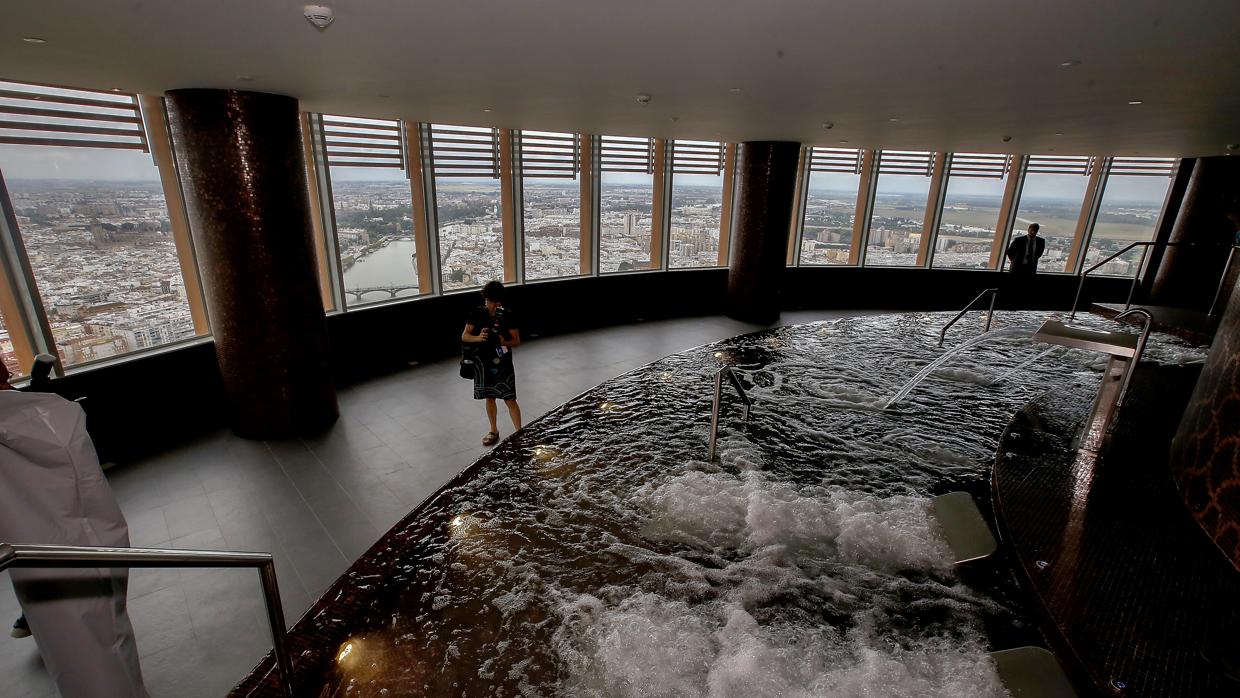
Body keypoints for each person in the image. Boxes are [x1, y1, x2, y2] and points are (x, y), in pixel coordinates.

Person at [0, 361, 146, 696]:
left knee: (83, 652)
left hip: (49, 558)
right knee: (108, 637)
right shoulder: (50, 415)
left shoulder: (27, 421)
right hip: (84, 549)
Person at [461, 281, 522, 446]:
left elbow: (516, 340)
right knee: (490, 398)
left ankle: (520, 433)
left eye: (495, 302)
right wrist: (478, 338)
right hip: (483, 362)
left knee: (510, 398)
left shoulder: (508, 315)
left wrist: (504, 341)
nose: (492, 305)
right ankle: (493, 430)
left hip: (502, 362)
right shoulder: (476, 313)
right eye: (489, 301)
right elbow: (465, 336)